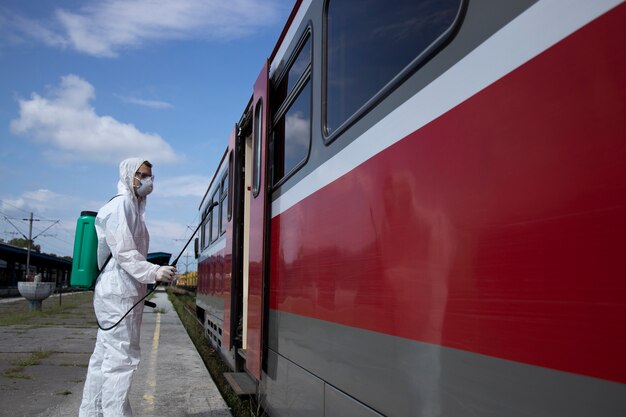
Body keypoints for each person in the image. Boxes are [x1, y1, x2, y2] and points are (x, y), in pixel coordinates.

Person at [79, 157, 176, 417]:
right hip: (117, 294)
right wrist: (154, 271)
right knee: (121, 363)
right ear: (129, 176)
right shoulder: (121, 205)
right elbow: (125, 254)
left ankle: (92, 413)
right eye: (143, 175)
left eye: (150, 176)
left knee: (103, 361)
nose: (148, 181)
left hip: (120, 293)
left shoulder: (133, 208)